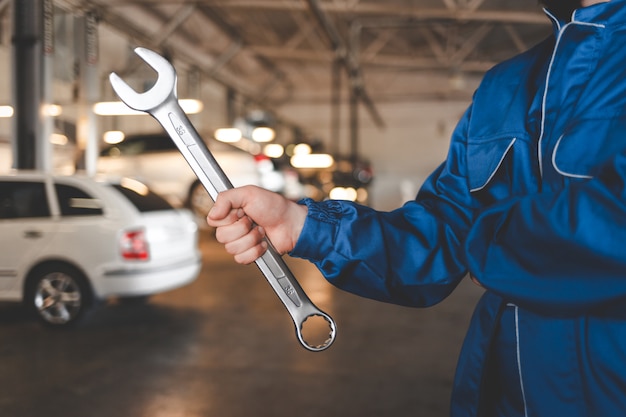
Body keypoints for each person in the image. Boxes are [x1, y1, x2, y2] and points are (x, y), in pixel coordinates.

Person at [207, 1, 626, 416]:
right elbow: (443, 232)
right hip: (502, 396)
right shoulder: (505, 85)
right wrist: (304, 225)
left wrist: (483, 245)